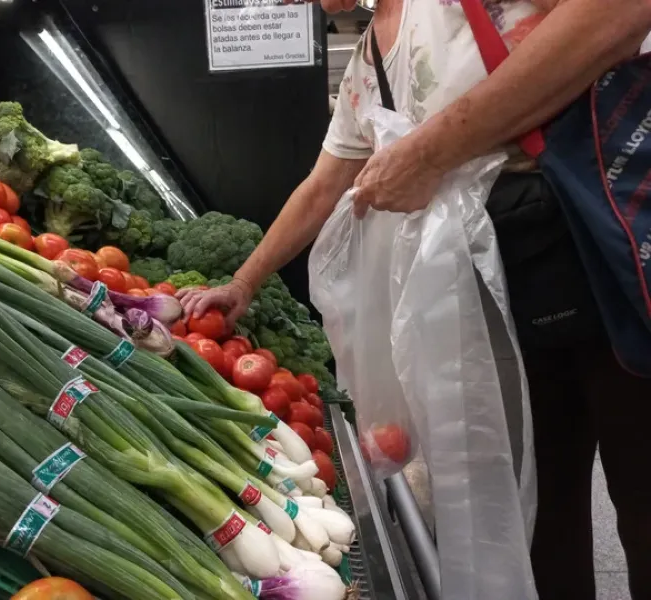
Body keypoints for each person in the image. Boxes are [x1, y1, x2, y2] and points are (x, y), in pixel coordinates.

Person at [181, 0, 651, 597]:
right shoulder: (367, 59)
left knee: (642, 491)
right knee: (538, 507)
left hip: (613, 247)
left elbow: (617, 14)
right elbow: (323, 184)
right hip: (509, 294)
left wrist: (428, 153)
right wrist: (244, 281)